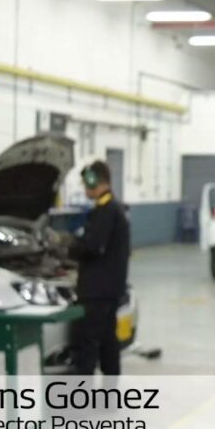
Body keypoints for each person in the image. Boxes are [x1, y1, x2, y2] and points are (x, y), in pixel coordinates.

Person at [68, 160, 130, 376]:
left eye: (86, 183)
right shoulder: (113, 208)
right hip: (109, 289)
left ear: (94, 181)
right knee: (108, 342)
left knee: (87, 345)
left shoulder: (106, 211)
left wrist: (69, 248)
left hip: (96, 291)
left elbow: (92, 247)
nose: (84, 188)